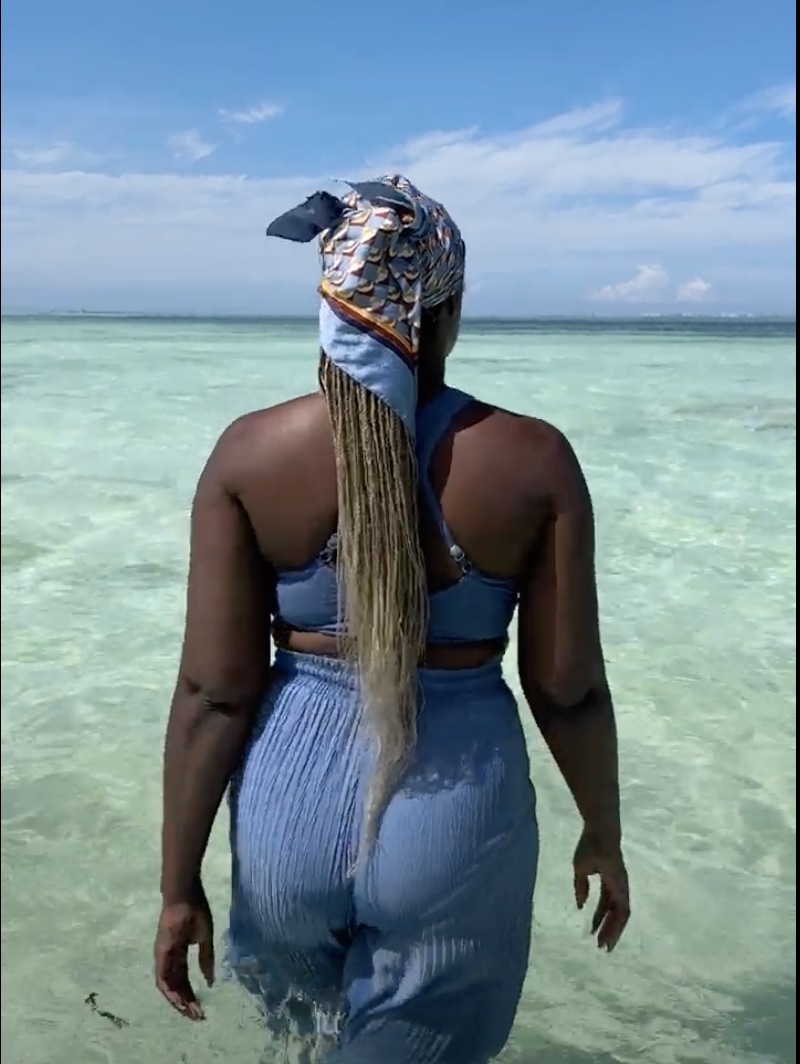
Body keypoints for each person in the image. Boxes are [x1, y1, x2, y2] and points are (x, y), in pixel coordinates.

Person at [154, 175, 630, 1062]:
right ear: (446, 308)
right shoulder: (534, 460)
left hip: (287, 809)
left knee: (302, 1044)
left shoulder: (249, 453)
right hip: (452, 814)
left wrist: (177, 886)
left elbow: (213, 693)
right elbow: (568, 691)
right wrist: (603, 831)